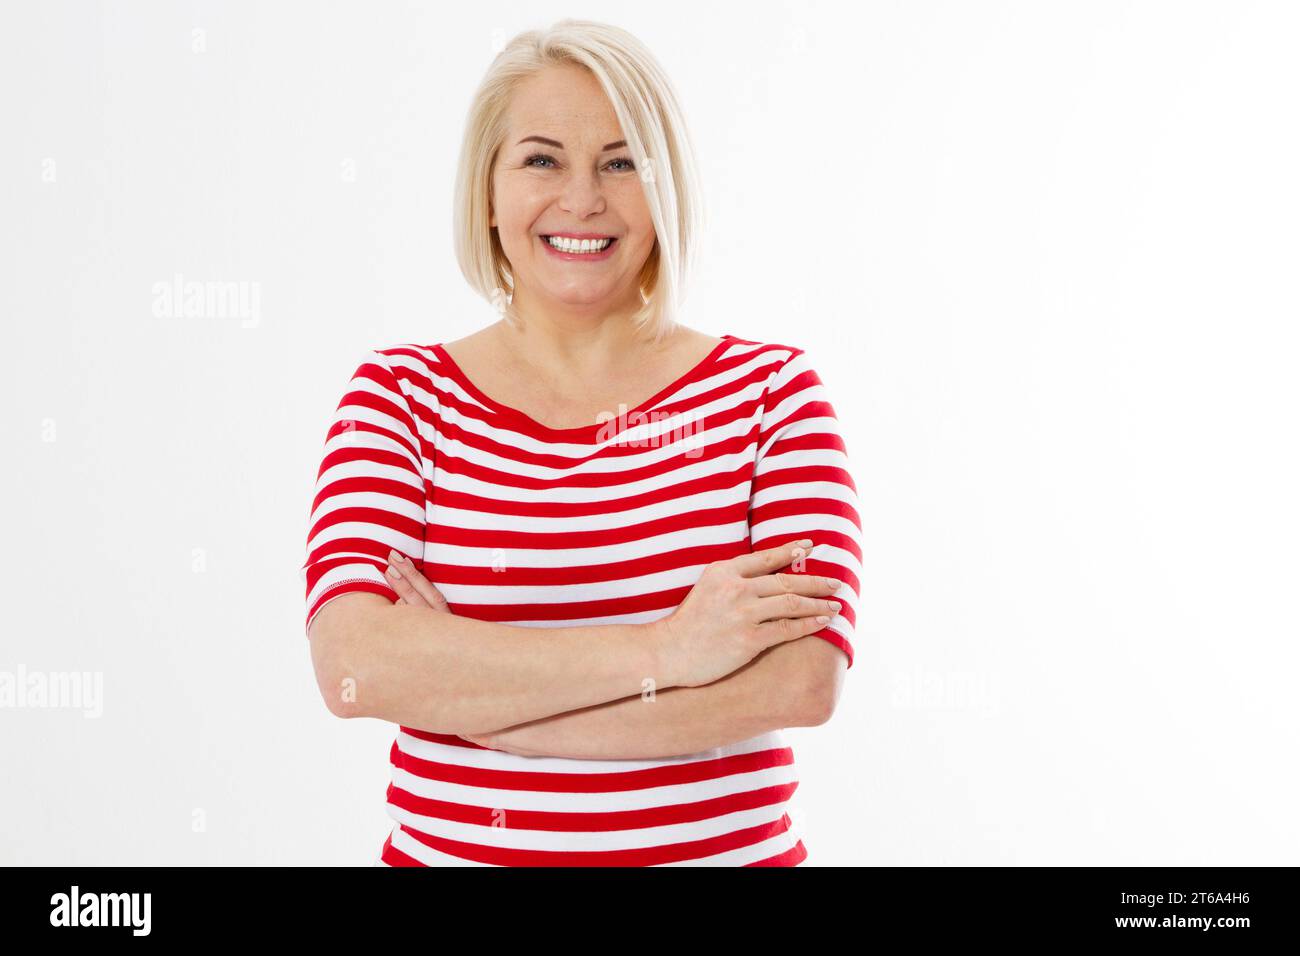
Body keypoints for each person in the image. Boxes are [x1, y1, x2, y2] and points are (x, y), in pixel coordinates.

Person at [302, 18, 864, 866]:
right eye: (540, 159)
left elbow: (800, 683)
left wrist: (476, 698)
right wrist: (670, 651)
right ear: (487, 193)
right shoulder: (398, 398)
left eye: (620, 160)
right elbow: (356, 668)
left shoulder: (772, 398)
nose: (582, 200)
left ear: (663, 184)